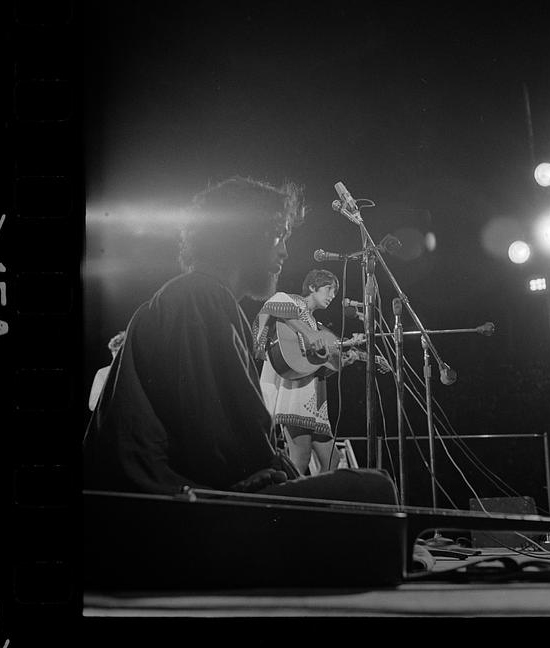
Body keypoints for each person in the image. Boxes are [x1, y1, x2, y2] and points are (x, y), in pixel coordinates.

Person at [83, 176, 397, 506]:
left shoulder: (194, 295)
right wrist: (266, 467)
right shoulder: (201, 296)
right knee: (372, 489)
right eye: (279, 236)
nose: (285, 251)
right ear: (247, 238)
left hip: (168, 492)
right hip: (170, 501)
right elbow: (218, 439)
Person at [253, 269, 355, 475]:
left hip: (314, 395)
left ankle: (318, 505)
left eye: (335, 293)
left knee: (332, 460)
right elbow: (274, 302)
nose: (332, 296)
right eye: (329, 289)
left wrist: (343, 361)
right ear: (311, 287)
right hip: (295, 391)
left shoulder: (317, 327)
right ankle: (292, 504)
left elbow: (317, 368)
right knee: (301, 456)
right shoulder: (292, 302)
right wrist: (307, 333)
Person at [87, 330, 126, 412]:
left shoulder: (131, 373)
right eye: (115, 351)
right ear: (112, 352)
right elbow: (92, 405)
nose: (118, 357)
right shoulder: (102, 373)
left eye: (121, 353)